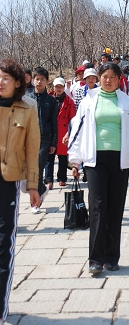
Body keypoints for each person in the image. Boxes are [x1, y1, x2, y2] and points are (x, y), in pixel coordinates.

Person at [68, 62, 129, 275]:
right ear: (98, 77)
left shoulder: (128, 102)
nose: (108, 80)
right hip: (94, 160)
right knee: (97, 207)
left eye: (112, 77)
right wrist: (74, 160)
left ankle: (112, 257)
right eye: (104, 76)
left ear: (119, 79)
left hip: (120, 160)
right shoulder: (89, 101)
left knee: (115, 207)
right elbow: (76, 130)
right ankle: (96, 259)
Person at [0, 59, 40, 324]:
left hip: (8, 181)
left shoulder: (27, 110)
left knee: (3, 245)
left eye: (5, 77)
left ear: (17, 83)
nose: (0, 81)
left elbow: (31, 150)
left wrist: (33, 185)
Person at [27, 67, 58, 213]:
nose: (39, 81)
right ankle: (40, 189)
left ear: (47, 81)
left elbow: (53, 123)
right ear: (33, 80)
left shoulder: (51, 101)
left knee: (38, 168)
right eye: (37, 78)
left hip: (44, 138)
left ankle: (35, 202)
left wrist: (53, 143)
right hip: (27, 139)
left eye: (42, 79)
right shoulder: (26, 97)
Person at [44, 77, 76, 188]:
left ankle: (62, 178)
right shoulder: (48, 99)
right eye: (57, 86)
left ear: (64, 87)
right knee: (49, 157)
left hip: (63, 131)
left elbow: (72, 118)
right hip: (51, 131)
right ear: (53, 87)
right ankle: (48, 179)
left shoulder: (69, 101)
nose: (58, 89)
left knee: (63, 157)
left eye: (61, 87)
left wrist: (70, 132)